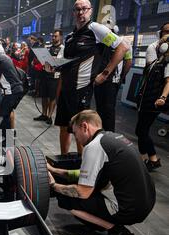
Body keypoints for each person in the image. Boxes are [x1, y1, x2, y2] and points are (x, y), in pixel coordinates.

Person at [48, 110, 156, 235]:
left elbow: (82, 192)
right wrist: (55, 170)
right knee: (89, 187)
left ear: (84, 127)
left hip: (130, 210)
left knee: (66, 199)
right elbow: (84, 174)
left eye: (75, 133)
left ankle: (116, 230)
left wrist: (53, 185)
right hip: (147, 202)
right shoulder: (113, 138)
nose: (76, 138)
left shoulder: (93, 147)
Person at [55, 0, 129, 155]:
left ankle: (84, 164)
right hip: (66, 89)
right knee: (64, 127)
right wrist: (53, 66)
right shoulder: (70, 36)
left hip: (82, 89)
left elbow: (123, 47)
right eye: (77, 9)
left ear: (90, 10)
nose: (81, 12)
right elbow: (66, 64)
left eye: (84, 9)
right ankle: (64, 159)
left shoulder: (95, 29)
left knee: (80, 130)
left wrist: (105, 73)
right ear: (73, 12)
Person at [135, 23, 169, 172]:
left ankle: (151, 159)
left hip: (155, 99)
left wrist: (162, 97)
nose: (167, 34)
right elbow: (148, 71)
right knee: (140, 130)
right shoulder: (155, 51)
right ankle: (148, 159)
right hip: (145, 97)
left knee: (142, 130)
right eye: (165, 31)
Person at [94, 25, 132, 132]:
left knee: (107, 109)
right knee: (102, 108)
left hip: (111, 81)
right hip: (102, 80)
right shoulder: (101, 44)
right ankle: (101, 131)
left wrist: (120, 77)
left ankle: (109, 133)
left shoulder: (122, 43)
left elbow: (128, 62)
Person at [35, 29, 64, 125]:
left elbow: (59, 62)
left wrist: (52, 60)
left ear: (60, 37)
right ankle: (44, 114)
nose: (53, 38)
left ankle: (50, 116)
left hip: (55, 76)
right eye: (53, 36)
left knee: (52, 96)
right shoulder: (48, 47)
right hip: (45, 74)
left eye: (55, 36)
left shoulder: (63, 48)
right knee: (44, 95)